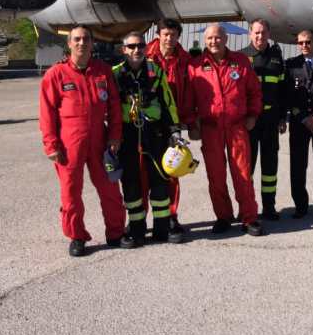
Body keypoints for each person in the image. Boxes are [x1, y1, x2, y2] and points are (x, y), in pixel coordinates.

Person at [39, 25, 125, 257]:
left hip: (100, 140)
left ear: (92, 43)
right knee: (70, 192)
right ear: (69, 44)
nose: (81, 43)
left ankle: (116, 232)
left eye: (86, 39)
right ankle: (77, 236)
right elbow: (46, 113)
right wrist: (51, 145)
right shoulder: (56, 75)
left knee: (109, 188)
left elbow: (114, 107)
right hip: (70, 142)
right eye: (76, 39)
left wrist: (115, 136)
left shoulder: (102, 71)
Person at [191, 23, 264, 236]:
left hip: (236, 127)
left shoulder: (240, 62)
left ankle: (249, 217)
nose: (214, 41)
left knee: (242, 174)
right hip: (210, 129)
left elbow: (254, 92)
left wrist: (252, 115)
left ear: (226, 39)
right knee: (216, 176)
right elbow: (189, 101)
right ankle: (223, 216)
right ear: (205, 41)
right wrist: (191, 124)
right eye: (210, 38)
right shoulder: (195, 66)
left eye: (218, 37)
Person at [113, 31, 182, 247]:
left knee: (160, 180)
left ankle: (162, 229)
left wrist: (175, 131)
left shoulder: (156, 71)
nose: (137, 50)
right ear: (124, 49)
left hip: (155, 133)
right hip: (128, 134)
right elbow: (107, 107)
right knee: (131, 183)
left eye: (140, 46)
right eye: (131, 46)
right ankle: (137, 230)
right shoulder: (114, 74)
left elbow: (168, 102)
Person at [145, 18, 198, 239]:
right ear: (158, 35)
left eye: (173, 34)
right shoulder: (144, 56)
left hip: (172, 126)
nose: (169, 38)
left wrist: (191, 123)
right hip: (145, 124)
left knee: (172, 171)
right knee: (142, 174)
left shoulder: (185, 60)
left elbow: (191, 92)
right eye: (165, 34)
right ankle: (138, 219)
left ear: (178, 36)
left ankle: (170, 216)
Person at [281, 29, 313, 218]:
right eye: (301, 42)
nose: (304, 46)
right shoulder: (291, 65)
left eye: (308, 42)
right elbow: (287, 96)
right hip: (299, 123)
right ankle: (300, 205)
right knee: (298, 165)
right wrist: (304, 118)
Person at [242, 19, 286, 221]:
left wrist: (282, 117)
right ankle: (247, 208)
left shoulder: (277, 58)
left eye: (263, 33)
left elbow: (282, 92)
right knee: (247, 168)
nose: (260, 36)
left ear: (269, 34)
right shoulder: (242, 57)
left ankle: (269, 206)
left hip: (270, 120)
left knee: (270, 166)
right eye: (256, 33)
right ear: (250, 34)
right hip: (249, 121)